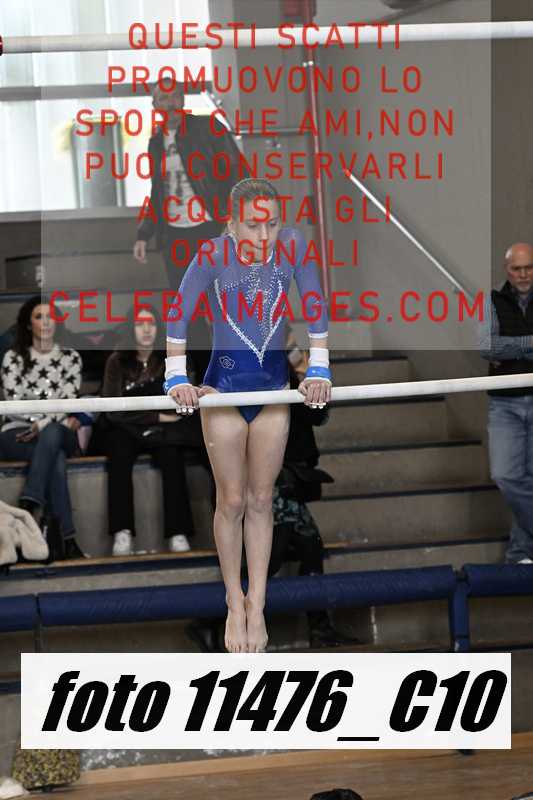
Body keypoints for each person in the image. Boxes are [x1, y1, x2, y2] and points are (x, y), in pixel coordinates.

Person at [164, 177, 331, 653]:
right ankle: (232, 601)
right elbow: (178, 313)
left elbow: (315, 306)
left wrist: (318, 368)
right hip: (223, 391)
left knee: (261, 500)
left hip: (273, 392)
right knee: (232, 501)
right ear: (232, 224)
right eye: (254, 226)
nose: (264, 236)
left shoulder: (293, 246)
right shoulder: (214, 254)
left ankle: (257, 604)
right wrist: (175, 377)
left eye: (272, 224)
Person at [185, 362, 360, 653]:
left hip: (285, 475)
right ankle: (229, 611)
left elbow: (317, 416)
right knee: (282, 540)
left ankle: (303, 621)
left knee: (306, 544)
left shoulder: (285, 369)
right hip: (249, 469)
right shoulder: (237, 359)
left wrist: (312, 379)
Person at [101, 304, 199, 556]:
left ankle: (178, 532)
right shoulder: (116, 361)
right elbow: (113, 410)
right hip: (127, 429)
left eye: (151, 323)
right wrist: (156, 415)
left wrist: (161, 419)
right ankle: (122, 532)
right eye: (139, 324)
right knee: (117, 451)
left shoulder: (170, 359)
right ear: (130, 328)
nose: (146, 329)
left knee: (172, 454)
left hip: (163, 430)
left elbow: (187, 400)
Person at [0, 295, 84, 560]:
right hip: (18, 432)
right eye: (39, 317)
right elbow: (13, 403)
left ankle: (31, 498)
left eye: (51, 317)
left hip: (58, 431)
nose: (46, 322)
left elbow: (68, 400)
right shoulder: (13, 358)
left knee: (53, 433)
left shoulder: (71, 358)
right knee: (54, 457)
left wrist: (43, 423)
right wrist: (42, 421)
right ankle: (67, 540)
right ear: (28, 324)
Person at [479, 242, 533, 564]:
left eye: (529, 268)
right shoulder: (490, 301)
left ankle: (520, 553)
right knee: (505, 475)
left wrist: (511, 347)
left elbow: (501, 348)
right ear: (507, 270)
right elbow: (488, 348)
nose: (523, 274)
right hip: (504, 404)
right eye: (517, 268)